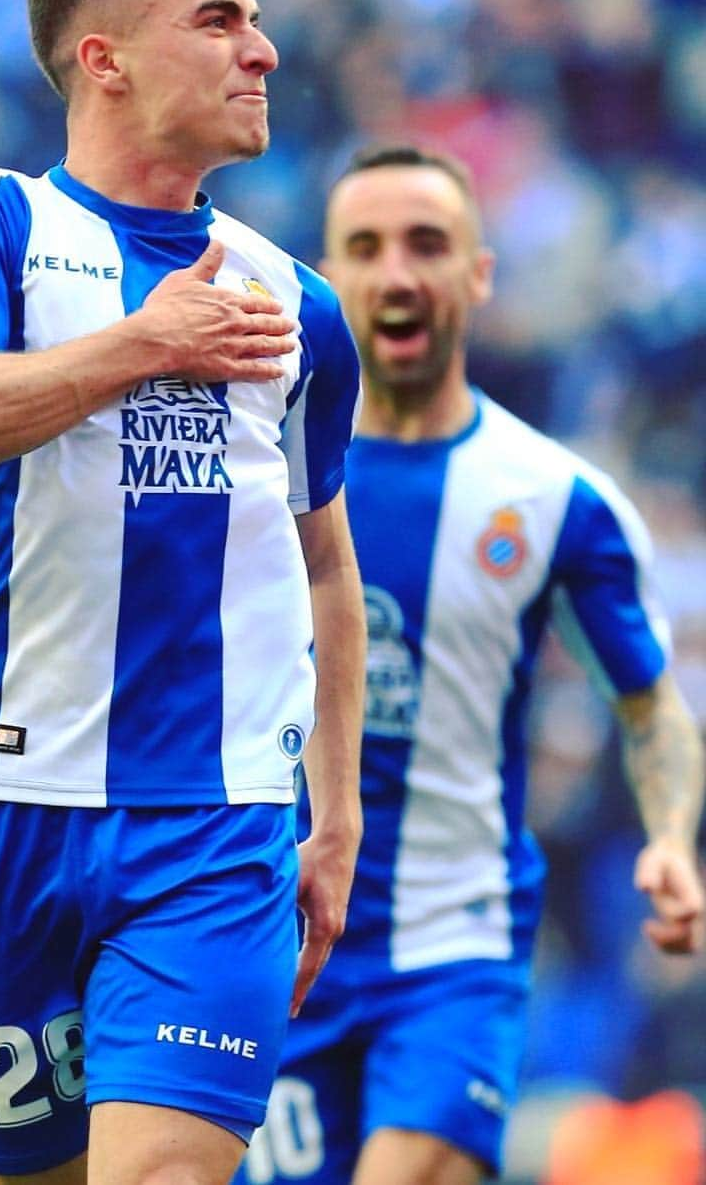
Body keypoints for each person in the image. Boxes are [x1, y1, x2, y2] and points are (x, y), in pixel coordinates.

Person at [0, 0, 366, 1185]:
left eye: (256, 21)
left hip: (215, 816)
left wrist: (341, 815)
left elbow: (326, 562)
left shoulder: (297, 305)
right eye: (218, 20)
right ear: (106, 58)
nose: (261, 50)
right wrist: (151, 343)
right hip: (2, 802)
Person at [236, 145, 706, 1185]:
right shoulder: (245, 476)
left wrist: (670, 836)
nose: (396, 272)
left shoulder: (551, 498)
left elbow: (647, 704)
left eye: (426, 244)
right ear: (327, 279)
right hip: (268, 950)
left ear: (477, 275)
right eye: (365, 247)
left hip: (452, 949)